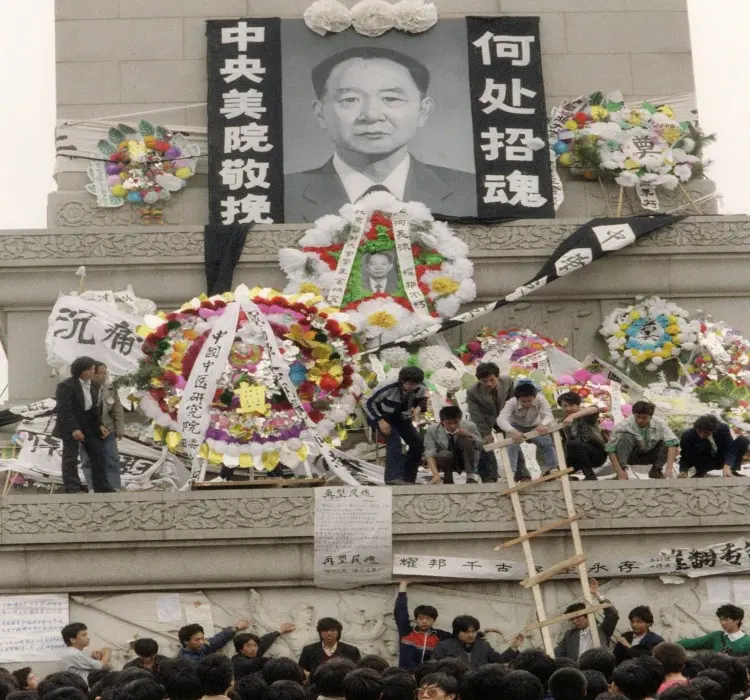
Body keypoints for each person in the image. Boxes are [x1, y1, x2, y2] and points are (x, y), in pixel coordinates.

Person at [285, 46, 477, 223]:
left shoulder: (472, 191)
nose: (371, 115)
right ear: (320, 114)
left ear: (423, 111)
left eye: (391, 98)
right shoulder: (281, 194)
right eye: (350, 99)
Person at [52, 356, 111, 493]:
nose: (92, 372)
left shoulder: (94, 386)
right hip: (71, 422)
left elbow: (94, 408)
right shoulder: (66, 386)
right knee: (71, 457)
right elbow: (64, 410)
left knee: (98, 453)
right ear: (81, 370)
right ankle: (72, 487)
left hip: (89, 423)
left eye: (93, 369)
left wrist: (100, 425)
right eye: (90, 369)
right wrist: (73, 429)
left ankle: (101, 486)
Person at [364, 366, 427, 485]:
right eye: (410, 384)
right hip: (380, 416)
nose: (413, 387)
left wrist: (417, 409)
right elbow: (368, 402)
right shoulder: (388, 385)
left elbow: (422, 400)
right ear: (402, 381)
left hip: (401, 417)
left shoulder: (421, 385)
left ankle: (408, 478)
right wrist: (380, 420)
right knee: (394, 441)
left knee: (417, 443)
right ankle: (392, 478)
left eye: (416, 384)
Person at [467, 362, 526, 483]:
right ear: (479, 380)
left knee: (512, 441)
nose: (488, 384)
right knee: (485, 444)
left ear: (497, 377)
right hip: (485, 419)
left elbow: (512, 400)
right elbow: (476, 414)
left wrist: (511, 423)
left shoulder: (507, 381)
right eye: (484, 381)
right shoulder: (473, 392)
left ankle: (522, 473)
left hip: (505, 416)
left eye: (491, 380)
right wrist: (486, 433)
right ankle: (489, 476)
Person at [497, 381, 558, 482]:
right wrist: (512, 431)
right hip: (515, 427)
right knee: (511, 445)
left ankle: (552, 469)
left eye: (530, 401)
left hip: (536, 426)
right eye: (523, 401)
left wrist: (544, 424)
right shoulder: (511, 402)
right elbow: (501, 419)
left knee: (546, 442)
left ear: (535, 397)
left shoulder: (541, 399)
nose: (527, 404)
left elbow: (548, 414)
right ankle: (510, 473)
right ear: (517, 399)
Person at [605, 401, 679, 479]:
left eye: (644, 418)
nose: (640, 420)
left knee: (669, 442)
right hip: (632, 455)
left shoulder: (660, 424)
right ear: (633, 415)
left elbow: (672, 443)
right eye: (638, 416)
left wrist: (669, 468)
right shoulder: (623, 425)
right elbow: (610, 449)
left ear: (650, 417)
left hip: (652, 455)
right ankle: (623, 470)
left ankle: (656, 470)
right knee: (625, 436)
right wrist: (619, 470)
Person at [82, 362, 124, 491]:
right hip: (88, 430)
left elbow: (117, 408)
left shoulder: (110, 388)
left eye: (105, 373)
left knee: (112, 458)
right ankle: (92, 487)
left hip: (108, 428)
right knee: (88, 460)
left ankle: (114, 486)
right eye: (99, 373)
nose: (103, 376)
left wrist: (119, 427)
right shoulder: (84, 388)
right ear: (91, 373)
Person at [554, 579, 619, 661]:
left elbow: (613, 614)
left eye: (577, 618)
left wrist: (596, 594)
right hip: (578, 671)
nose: (574, 621)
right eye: (572, 619)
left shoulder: (603, 630)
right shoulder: (569, 635)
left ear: (588, 615)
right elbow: (557, 652)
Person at [394, 580, 451, 670]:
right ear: (416, 619)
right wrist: (403, 585)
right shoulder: (407, 632)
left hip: (428, 677)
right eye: (421, 618)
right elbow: (400, 612)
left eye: (428, 619)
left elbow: (460, 636)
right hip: (406, 675)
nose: (424, 621)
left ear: (434, 620)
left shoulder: (441, 636)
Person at [431, 615, 522, 668]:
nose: (471, 635)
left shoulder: (483, 646)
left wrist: (513, 647)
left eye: (473, 631)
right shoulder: (443, 646)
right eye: (466, 632)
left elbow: (499, 660)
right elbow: (434, 667)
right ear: (457, 632)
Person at [424, 406, 483, 485]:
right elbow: (430, 454)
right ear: (442, 422)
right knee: (444, 454)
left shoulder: (469, 426)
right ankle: (448, 478)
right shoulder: (432, 430)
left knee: (466, 440)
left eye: (456, 422)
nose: (453, 426)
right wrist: (436, 475)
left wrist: (470, 435)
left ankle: (470, 476)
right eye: (448, 423)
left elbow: (481, 446)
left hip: (466, 458)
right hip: (446, 460)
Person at [557, 392, 607, 481]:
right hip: (578, 458)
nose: (568, 408)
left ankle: (590, 475)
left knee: (573, 443)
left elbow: (594, 408)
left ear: (578, 405)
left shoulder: (586, 416)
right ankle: (572, 478)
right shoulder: (561, 423)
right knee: (553, 472)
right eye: (564, 406)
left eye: (572, 405)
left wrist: (572, 416)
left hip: (596, 454)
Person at [678, 415, 749, 478]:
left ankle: (731, 470)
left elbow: (730, 448)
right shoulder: (688, 435)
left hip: (721, 458)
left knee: (743, 440)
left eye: (706, 433)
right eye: (699, 432)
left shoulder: (723, 429)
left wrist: (728, 464)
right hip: (704, 461)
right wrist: (683, 470)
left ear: (714, 430)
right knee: (699, 445)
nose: (701, 435)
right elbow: (685, 456)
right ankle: (700, 472)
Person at [231, 623, 296, 681]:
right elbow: (251, 664)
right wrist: (275, 662)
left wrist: (280, 631)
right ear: (241, 650)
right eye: (249, 646)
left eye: (255, 645)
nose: (253, 648)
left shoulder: (252, 652)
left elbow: (264, 641)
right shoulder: (236, 660)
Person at [678, 604, 750, 655]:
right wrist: (670, 646)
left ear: (737, 620)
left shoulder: (747, 641)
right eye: (721, 619)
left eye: (726, 619)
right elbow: (693, 643)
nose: (723, 623)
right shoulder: (717, 636)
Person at [177, 617, 250, 663]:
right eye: (197, 640)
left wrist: (236, 628)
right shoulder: (187, 661)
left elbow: (215, 641)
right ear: (186, 642)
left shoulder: (197, 648)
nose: (202, 642)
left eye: (202, 638)